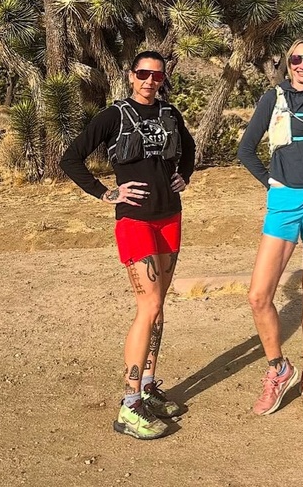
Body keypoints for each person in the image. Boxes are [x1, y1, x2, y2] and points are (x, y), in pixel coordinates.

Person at [60, 50, 195, 440]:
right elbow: (71, 158)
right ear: (130, 75)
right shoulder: (113, 116)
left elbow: (187, 149)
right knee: (148, 304)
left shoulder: (169, 114)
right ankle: (129, 405)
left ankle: (149, 386)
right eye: (143, 73)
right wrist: (106, 193)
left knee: (159, 305)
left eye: (157, 75)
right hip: (134, 220)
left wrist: (183, 175)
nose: (150, 80)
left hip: (169, 215)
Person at [237, 37, 303, 415]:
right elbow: (245, 149)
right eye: (297, 59)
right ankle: (278, 368)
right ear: (288, 63)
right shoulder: (273, 98)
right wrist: (270, 181)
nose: (302, 65)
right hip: (284, 203)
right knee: (258, 294)